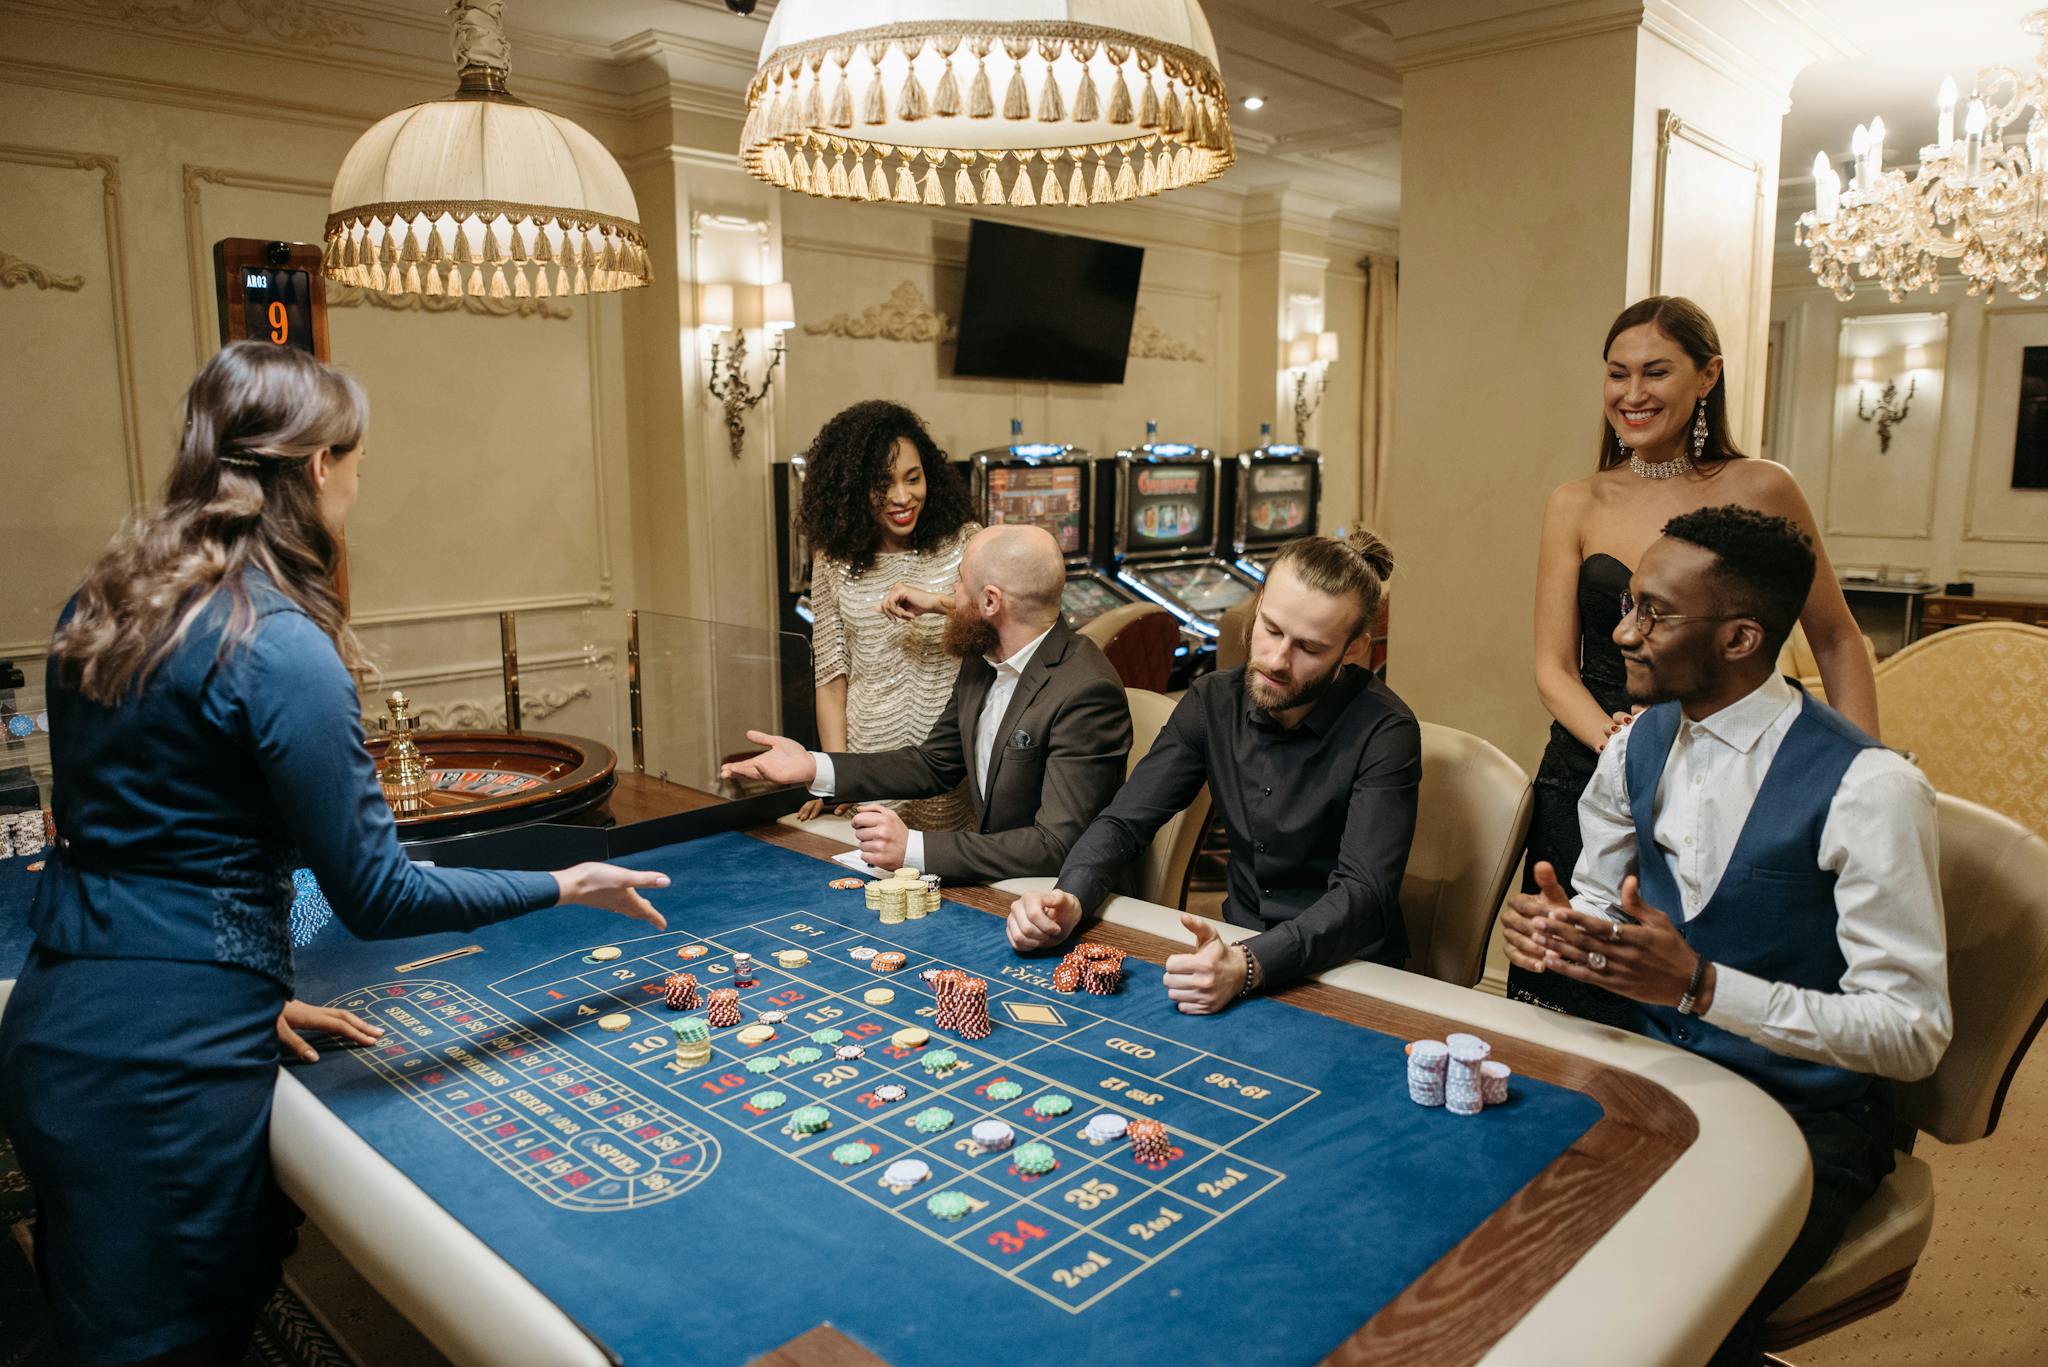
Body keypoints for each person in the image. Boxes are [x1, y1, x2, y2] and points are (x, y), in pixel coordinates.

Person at [0, 342, 670, 1367]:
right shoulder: (276, 644)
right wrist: (564, 879)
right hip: (163, 1078)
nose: (359, 477)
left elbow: (131, 836)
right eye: (355, 456)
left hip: (63, 1026)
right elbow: (377, 893)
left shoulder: (101, 604)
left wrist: (245, 987)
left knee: (99, 1323)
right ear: (317, 466)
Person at [1499, 505, 1949, 1366]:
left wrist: (1703, 988)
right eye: (1628, 603)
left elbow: (1915, 1033)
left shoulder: (1870, 788)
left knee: (1653, 1321)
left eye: (1654, 614)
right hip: (1653, 1077)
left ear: (1742, 637)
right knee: (1492, 1232)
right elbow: (1601, 900)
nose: (1625, 632)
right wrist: (1566, 932)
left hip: (1806, 1118)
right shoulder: (1633, 743)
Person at [1516, 295, 1881, 1028]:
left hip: (1735, 769)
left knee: (1704, 989)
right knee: (1573, 989)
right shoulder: (1575, 500)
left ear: (1708, 374)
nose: (1632, 393)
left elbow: (1838, 638)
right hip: (1592, 760)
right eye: (1617, 374)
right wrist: (1623, 747)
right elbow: (1554, 666)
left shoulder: (1762, 487)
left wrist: (1863, 773)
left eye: (1656, 371)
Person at [1007, 531, 1420, 1013]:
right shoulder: (1212, 701)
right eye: (1271, 628)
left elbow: (1363, 895)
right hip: (1233, 950)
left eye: (1309, 648)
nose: (1277, 660)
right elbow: (1125, 821)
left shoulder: (1387, 731)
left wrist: (1251, 964)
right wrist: (1070, 895)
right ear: (1258, 603)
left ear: (1352, 650)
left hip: (1348, 972)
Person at [721, 525, 1132, 883]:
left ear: (991, 602)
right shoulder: (984, 657)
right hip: (1000, 882)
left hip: (1058, 901)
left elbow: (1055, 846)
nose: (952, 594)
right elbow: (933, 763)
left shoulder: (1086, 692)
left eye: (960, 582)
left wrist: (913, 849)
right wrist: (816, 765)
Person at [798, 400, 980, 831]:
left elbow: (1005, 617)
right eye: (883, 484)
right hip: (871, 763)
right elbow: (830, 675)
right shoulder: (832, 558)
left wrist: (936, 601)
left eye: (913, 479)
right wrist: (837, 776)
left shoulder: (965, 541)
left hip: (951, 762)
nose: (902, 497)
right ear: (851, 488)